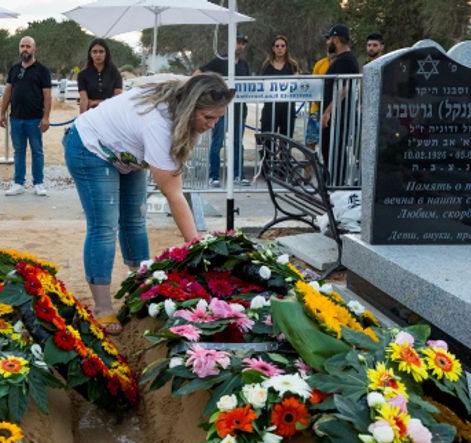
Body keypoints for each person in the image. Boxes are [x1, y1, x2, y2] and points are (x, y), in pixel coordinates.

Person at [63, 73, 233, 334]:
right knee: (105, 226)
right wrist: (198, 248)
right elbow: (174, 195)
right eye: (207, 117)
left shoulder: (184, 90)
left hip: (127, 152)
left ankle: (142, 288)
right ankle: (103, 308)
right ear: (189, 108)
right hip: (91, 146)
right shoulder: (159, 125)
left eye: (218, 118)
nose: (212, 124)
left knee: (134, 220)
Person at [0, 36, 52, 196]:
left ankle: (39, 183)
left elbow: (47, 95)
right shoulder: (14, 69)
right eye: (22, 46)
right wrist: (2, 113)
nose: (25, 49)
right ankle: (18, 183)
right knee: (18, 152)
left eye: (28, 46)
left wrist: (46, 117)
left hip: (35, 119)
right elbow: (8, 91)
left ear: (34, 49)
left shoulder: (42, 70)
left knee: (37, 151)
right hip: (16, 119)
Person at [196, 35, 250, 186]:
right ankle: (214, 176)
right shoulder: (220, 61)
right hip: (220, 111)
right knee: (217, 142)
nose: (240, 46)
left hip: (239, 110)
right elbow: (198, 73)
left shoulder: (244, 64)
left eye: (243, 43)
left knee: (237, 143)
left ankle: (238, 175)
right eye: (237, 42)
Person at [321, 24, 359, 181]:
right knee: (329, 149)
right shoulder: (340, 59)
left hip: (338, 115)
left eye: (329, 38)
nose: (327, 42)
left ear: (336, 39)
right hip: (336, 114)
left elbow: (344, 89)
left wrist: (328, 111)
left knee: (333, 149)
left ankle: (336, 183)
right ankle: (332, 182)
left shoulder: (346, 60)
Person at [259, 35, 299, 138]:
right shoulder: (266, 65)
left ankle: (284, 155)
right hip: (270, 108)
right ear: (273, 48)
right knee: (267, 141)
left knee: (285, 142)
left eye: (282, 45)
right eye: (277, 46)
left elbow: (298, 86)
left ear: (286, 47)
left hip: (288, 109)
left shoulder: (293, 65)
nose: (280, 48)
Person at [305, 37, 337, 151]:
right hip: (316, 111)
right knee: (310, 144)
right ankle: (308, 169)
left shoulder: (341, 63)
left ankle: (327, 169)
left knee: (329, 146)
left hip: (333, 111)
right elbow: (313, 87)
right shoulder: (320, 63)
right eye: (328, 48)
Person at [77, 38, 123, 114]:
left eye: (101, 51)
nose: (98, 54)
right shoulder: (82, 74)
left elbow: (117, 98)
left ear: (106, 53)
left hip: (110, 114)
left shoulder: (115, 73)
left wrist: (98, 102)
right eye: (94, 52)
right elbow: (83, 99)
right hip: (91, 114)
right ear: (90, 54)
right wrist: (82, 119)